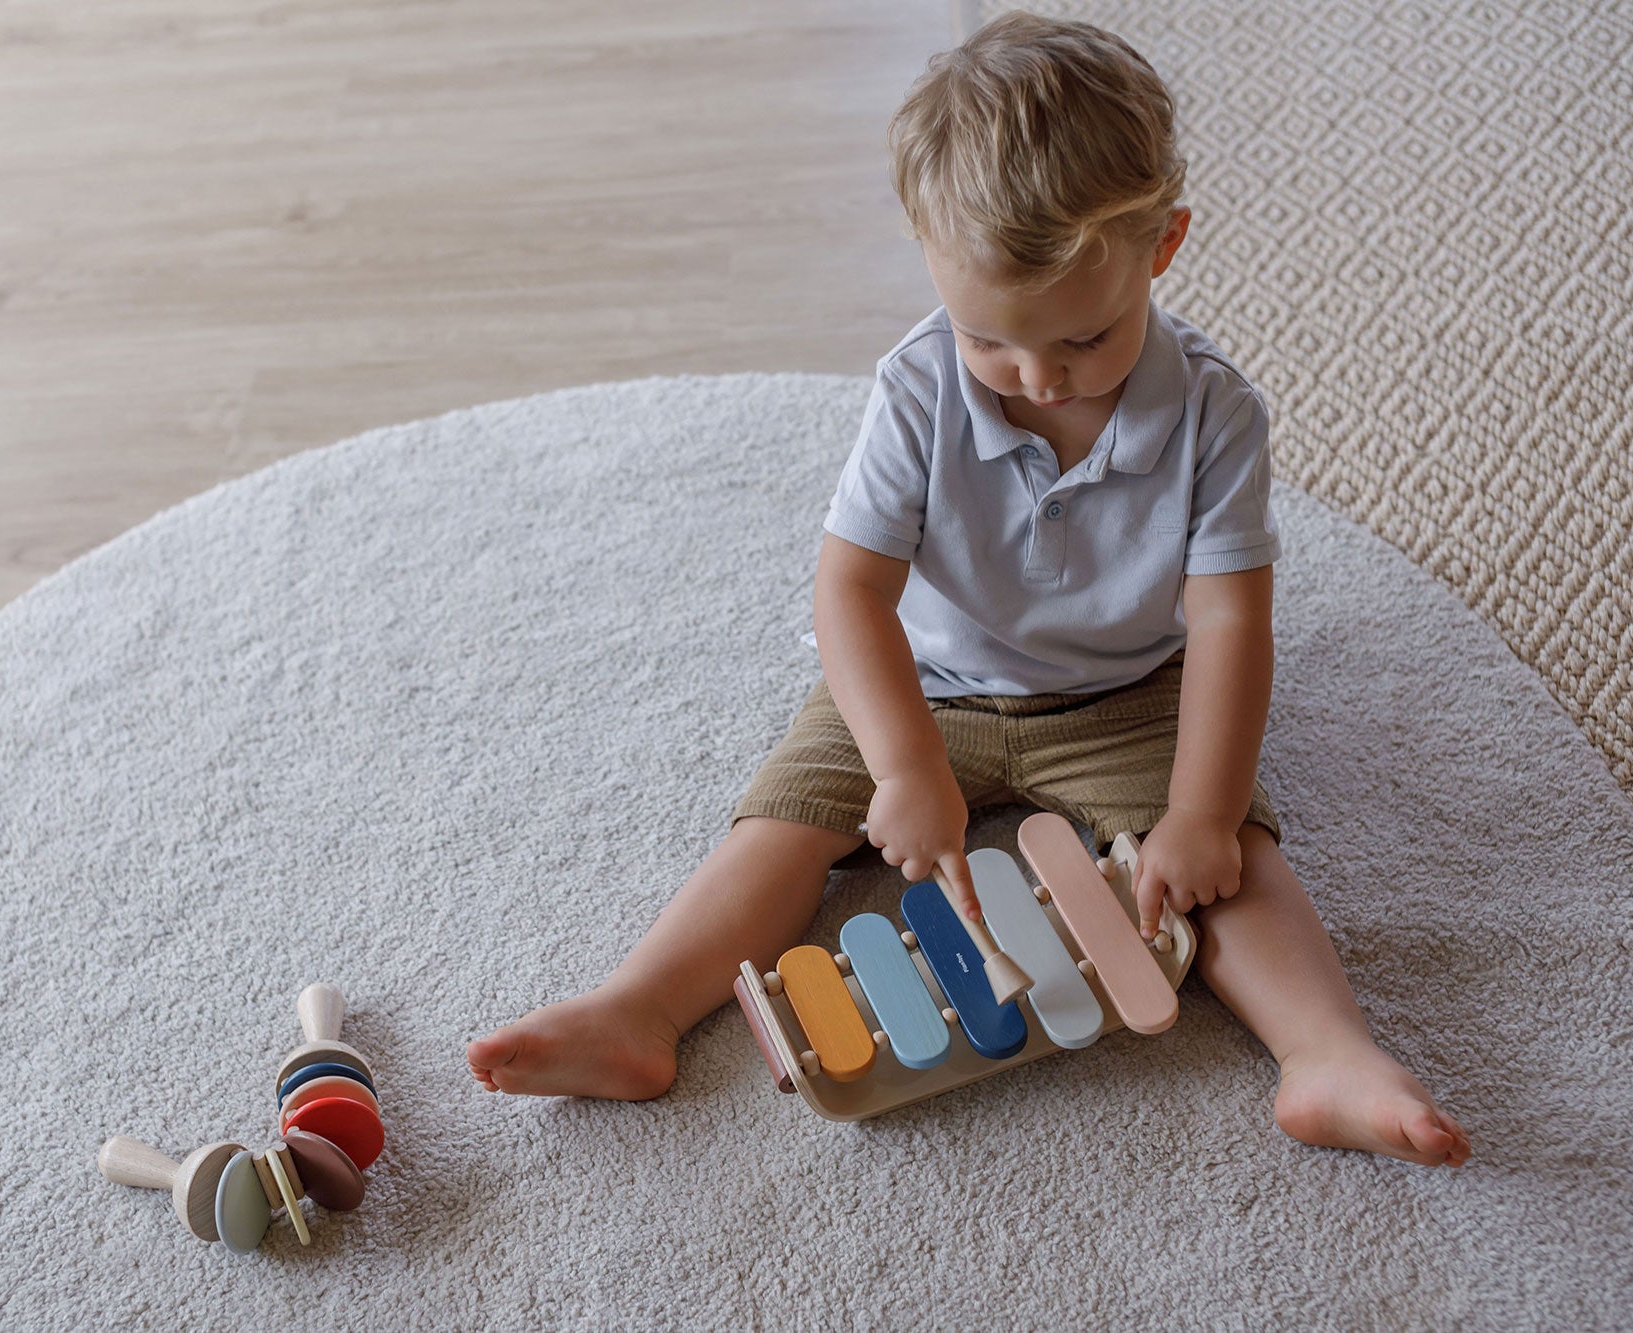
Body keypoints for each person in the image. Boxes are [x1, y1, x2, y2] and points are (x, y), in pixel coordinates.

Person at [466, 13, 1470, 1168]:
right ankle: (634, 1011)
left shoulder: (1213, 414)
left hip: (1124, 694)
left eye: (1085, 339)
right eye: (991, 340)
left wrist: (1197, 813)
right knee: (774, 833)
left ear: (1164, 246)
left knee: (1232, 866)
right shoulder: (916, 388)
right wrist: (901, 764)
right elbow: (848, 592)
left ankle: (1325, 1053)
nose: (1036, 378)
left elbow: (1230, 617)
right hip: (925, 680)